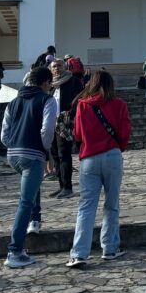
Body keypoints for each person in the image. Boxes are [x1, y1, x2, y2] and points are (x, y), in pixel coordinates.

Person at [66, 70, 131, 268]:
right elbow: (125, 132)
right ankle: (110, 248)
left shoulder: (83, 105)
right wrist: (117, 147)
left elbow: (77, 134)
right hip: (112, 156)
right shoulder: (119, 104)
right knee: (112, 204)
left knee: (86, 206)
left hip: (89, 159)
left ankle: (79, 253)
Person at [1, 66, 57, 269]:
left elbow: (4, 134)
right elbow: (48, 129)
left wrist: (15, 144)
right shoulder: (47, 100)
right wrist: (46, 150)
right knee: (25, 201)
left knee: (32, 188)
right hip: (33, 154)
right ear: (45, 83)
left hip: (13, 155)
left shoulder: (13, 102)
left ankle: (35, 220)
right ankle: (15, 251)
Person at [50, 59, 85, 199]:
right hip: (51, 124)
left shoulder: (73, 81)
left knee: (64, 154)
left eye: (59, 66)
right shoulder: (50, 85)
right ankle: (61, 186)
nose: (56, 68)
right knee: (55, 155)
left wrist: (69, 115)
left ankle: (68, 187)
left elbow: (79, 100)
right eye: (54, 67)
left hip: (65, 123)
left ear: (64, 67)